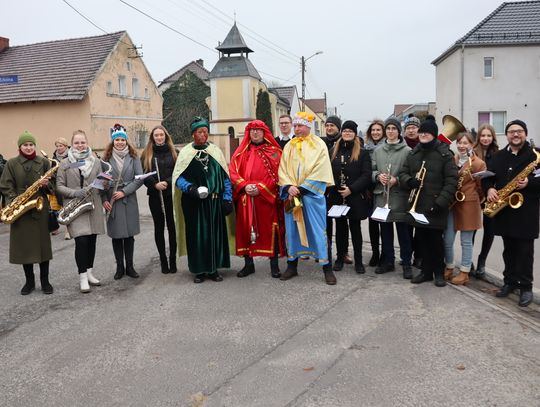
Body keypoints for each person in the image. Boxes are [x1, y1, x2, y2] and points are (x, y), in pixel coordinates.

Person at [483, 119, 539, 307]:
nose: (516, 134)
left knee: (525, 251)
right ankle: (509, 283)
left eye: (519, 131)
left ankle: (525, 287)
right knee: (509, 250)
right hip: (505, 210)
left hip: (526, 212)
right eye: (512, 131)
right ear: (506, 135)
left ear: (525, 133)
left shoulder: (536, 156)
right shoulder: (498, 156)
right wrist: (489, 189)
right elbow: (488, 178)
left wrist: (529, 183)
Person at [172, 117, 234, 283]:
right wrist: (191, 188)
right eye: (200, 132)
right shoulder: (185, 153)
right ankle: (199, 270)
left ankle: (213, 269)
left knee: (214, 236)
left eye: (206, 132)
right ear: (193, 134)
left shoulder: (215, 151)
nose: (203, 135)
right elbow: (178, 178)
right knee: (197, 236)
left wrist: (227, 199)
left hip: (214, 202)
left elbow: (225, 177)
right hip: (194, 203)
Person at [399, 116, 458, 287]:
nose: (423, 134)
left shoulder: (445, 154)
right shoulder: (414, 153)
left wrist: (440, 203)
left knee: (436, 242)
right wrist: (410, 181)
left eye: (427, 132)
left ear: (433, 134)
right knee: (422, 240)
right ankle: (425, 272)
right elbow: (403, 173)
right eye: (421, 132)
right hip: (417, 205)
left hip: (436, 206)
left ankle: (438, 273)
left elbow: (451, 181)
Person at [278, 112, 336, 285]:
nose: (296, 129)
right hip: (292, 195)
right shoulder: (289, 146)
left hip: (311, 197)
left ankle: (327, 267)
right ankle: (292, 265)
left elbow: (322, 168)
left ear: (308, 126)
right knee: (292, 231)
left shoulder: (319, 145)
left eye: (299, 125)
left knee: (318, 231)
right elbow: (283, 169)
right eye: (295, 126)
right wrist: (288, 186)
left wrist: (303, 188)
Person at [0, 131, 54, 295]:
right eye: (25, 145)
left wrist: (46, 185)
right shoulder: (11, 164)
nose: (29, 147)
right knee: (25, 248)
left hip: (39, 208)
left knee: (43, 247)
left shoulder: (44, 162)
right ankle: (29, 282)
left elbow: (53, 187)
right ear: (20, 147)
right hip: (20, 209)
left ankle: (45, 282)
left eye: (31, 144)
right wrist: (16, 201)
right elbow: (5, 185)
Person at [230, 120, 286, 278]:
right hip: (246, 198)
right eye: (252, 130)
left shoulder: (275, 152)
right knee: (246, 230)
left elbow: (279, 175)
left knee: (270, 231)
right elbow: (233, 172)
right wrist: (244, 185)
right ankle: (248, 265)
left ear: (264, 132)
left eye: (258, 130)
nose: (254, 133)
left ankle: (274, 265)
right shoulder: (241, 153)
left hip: (266, 199)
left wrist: (260, 188)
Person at [56, 130, 106, 293]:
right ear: (72, 144)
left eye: (82, 142)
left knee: (92, 241)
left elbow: (100, 182)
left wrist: (104, 183)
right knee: (82, 241)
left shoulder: (96, 161)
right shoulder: (65, 163)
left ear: (87, 143)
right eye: (77, 142)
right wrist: (75, 192)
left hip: (93, 205)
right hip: (75, 206)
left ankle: (90, 273)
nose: (80, 145)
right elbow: (59, 186)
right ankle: (82, 276)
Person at [327, 120, 371, 273]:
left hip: (355, 196)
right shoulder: (333, 151)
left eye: (350, 131)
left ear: (354, 134)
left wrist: (351, 189)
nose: (347, 133)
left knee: (355, 229)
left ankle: (358, 261)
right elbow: (328, 172)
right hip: (337, 196)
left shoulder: (363, 152)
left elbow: (366, 175)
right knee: (340, 229)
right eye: (345, 130)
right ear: (341, 132)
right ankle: (339, 258)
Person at [372, 117, 413, 278]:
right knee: (385, 232)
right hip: (383, 198)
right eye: (388, 128)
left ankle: (407, 264)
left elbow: (411, 173)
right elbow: (372, 169)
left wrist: (398, 180)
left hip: (400, 197)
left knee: (404, 234)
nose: (390, 131)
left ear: (398, 131)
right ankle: (388, 261)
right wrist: (377, 177)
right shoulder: (378, 151)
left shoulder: (407, 151)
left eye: (393, 128)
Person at [101, 125, 143, 280]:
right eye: (117, 140)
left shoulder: (134, 157)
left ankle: (130, 267)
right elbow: (101, 182)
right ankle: (119, 267)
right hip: (113, 200)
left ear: (126, 141)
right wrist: (104, 199)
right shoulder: (105, 159)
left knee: (129, 235)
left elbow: (139, 179)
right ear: (113, 142)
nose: (119, 142)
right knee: (117, 236)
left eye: (122, 140)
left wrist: (125, 191)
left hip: (128, 199)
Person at [443, 132, 486, 286]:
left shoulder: (478, 163)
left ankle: (464, 272)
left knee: (466, 241)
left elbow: (482, 187)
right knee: (447, 239)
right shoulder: (452, 159)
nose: (461, 146)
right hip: (452, 204)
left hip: (468, 204)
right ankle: (449, 267)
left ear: (472, 144)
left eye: (465, 143)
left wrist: (476, 199)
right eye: (459, 143)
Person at [140, 125, 178, 274]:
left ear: (166, 136)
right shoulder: (146, 154)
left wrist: (167, 182)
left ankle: (172, 260)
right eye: (156, 135)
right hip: (155, 196)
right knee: (159, 228)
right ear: (152, 138)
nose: (159, 137)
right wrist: (155, 184)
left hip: (169, 195)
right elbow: (144, 175)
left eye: (161, 135)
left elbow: (177, 172)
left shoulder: (174, 153)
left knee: (172, 228)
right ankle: (163, 260)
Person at [472, 123, 499, 277]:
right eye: (483, 135)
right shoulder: (472, 152)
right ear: (479, 137)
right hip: (475, 195)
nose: (486, 138)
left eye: (489, 135)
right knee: (472, 229)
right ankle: (468, 262)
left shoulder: (498, 153)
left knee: (490, 230)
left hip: (490, 196)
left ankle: (482, 261)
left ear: (493, 137)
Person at [364, 119, 386, 267]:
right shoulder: (365, 148)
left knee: (384, 224)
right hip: (369, 189)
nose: (375, 132)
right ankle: (375, 253)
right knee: (372, 223)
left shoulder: (388, 147)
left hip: (384, 188)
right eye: (373, 130)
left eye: (378, 130)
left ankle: (385, 253)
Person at [51, 137, 70, 239]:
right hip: (57, 184)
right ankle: (55, 227)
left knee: (67, 206)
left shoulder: (71, 155)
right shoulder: (54, 157)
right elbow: (51, 169)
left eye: (61, 146)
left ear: (66, 146)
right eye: (57, 146)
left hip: (68, 184)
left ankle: (68, 230)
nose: (58, 148)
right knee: (55, 208)